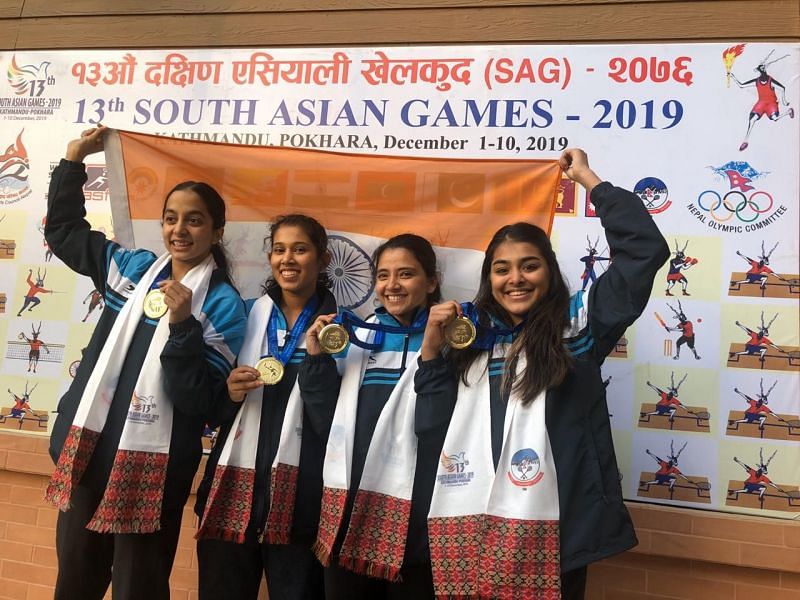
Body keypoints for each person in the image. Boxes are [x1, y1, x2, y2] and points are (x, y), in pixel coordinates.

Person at [416, 148, 669, 600]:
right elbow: (433, 425)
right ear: (488, 279)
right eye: (502, 269)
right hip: (472, 524)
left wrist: (591, 181)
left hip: (557, 530)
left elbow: (643, 252)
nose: (516, 278)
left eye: (529, 266)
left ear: (549, 272)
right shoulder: (472, 338)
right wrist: (432, 353)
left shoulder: (581, 327)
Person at [43, 126, 247, 600]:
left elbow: (199, 401)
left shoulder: (223, 306)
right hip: (88, 458)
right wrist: (73, 159)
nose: (180, 230)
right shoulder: (132, 270)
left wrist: (182, 326)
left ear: (216, 231)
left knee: (140, 588)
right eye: (171, 218)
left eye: (194, 221)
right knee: (74, 582)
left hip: (152, 473)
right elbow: (64, 232)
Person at [195, 214, 335, 600]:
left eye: (300, 249)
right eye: (279, 249)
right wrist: (230, 393)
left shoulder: (342, 331)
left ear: (322, 260)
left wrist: (319, 361)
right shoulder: (244, 314)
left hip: (302, 506)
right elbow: (211, 412)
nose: (288, 259)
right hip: (231, 496)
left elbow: (336, 425)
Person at [299, 234, 445, 599]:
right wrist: (316, 357)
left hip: (419, 519)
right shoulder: (357, 336)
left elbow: (440, 426)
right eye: (383, 275)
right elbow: (324, 421)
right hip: (350, 514)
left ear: (431, 281)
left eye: (406, 274)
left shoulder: (453, 341)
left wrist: (433, 353)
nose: (392, 285)